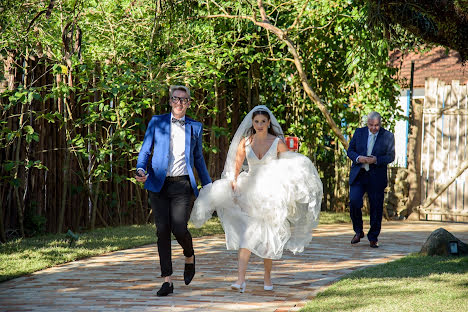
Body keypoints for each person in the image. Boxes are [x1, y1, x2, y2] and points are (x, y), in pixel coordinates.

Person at [190, 105, 323, 293]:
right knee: (248, 234)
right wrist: (233, 183)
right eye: (256, 122)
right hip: (249, 190)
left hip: (270, 192)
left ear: (269, 123)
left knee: (268, 237)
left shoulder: (277, 142)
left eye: (263, 122)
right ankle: (240, 280)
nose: (260, 125)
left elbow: (288, 165)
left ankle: (267, 278)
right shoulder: (246, 142)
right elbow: (235, 167)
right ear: (252, 123)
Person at [135, 85, 212, 296]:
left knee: (179, 228)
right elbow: (144, 152)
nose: (180, 103)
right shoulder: (157, 122)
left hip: (182, 185)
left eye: (184, 100)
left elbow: (198, 158)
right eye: (176, 99)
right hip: (158, 184)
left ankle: (189, 255)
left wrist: (208, 186)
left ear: (188, 103)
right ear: (170, 101)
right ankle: (167, 281)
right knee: (162, 231)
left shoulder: (195, 127)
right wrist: (141, 169)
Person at [346, 111, 395, 248]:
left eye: (377, 125)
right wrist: (358, 158)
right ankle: (358, 231)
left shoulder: (388, 136)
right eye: (371, 125)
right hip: (359, 174)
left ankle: (373, 237)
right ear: (367, 123)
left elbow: (391, 156)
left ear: (380, 123)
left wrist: (376, 160)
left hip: (376, 176)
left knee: (376, 207)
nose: (374, 128)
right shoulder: (359, 133)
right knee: (354, 202)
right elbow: (350, 151)